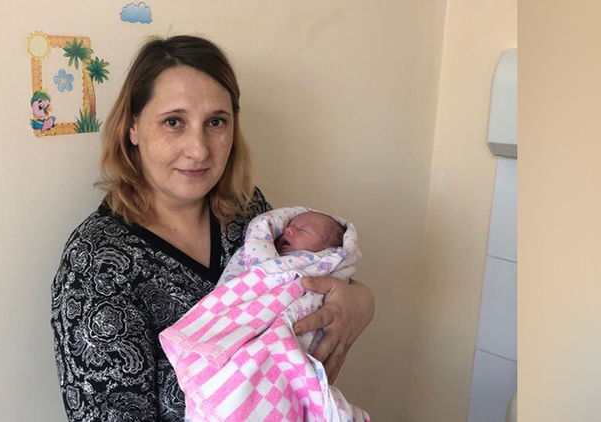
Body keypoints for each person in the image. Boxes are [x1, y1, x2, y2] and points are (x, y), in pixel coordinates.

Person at [50, 35, 375, 422]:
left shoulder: (249, 215)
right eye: (174, 122)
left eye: (216, 122)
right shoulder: (97, 266)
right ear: (133, 127)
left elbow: (305, 277)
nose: (199, 149)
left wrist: (360, 300)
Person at [159, 207, 370, 421]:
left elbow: (342, 285)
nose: (287, 231)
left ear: (331, 251)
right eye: (289, 227)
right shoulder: (264, 250)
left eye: (302, 230)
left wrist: (362, 300)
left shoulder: (246, 207)